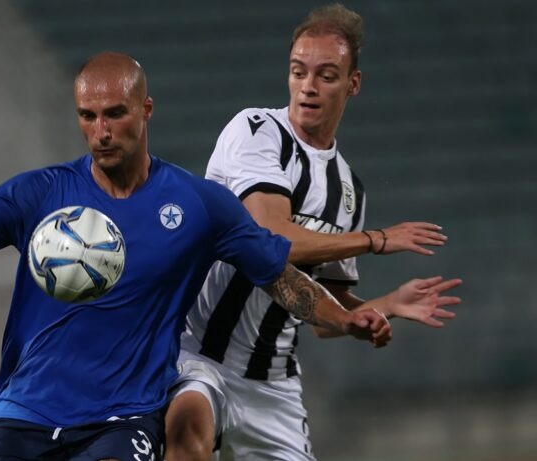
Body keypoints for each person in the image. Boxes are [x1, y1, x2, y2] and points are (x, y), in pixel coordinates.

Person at [0, 52, 392, 461]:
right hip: (23, 410)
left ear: (146, 110)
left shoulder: (199, 205)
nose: (101, 132)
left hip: (123, 418)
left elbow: (280, 278)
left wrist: (345, 318)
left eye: (115, 114)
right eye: (88, 116)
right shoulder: (40, 193)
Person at [164, 4, 463, 461]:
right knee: (187, 437)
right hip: (200, 355)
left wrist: (385, 306)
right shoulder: (256, 131)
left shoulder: (349, 191)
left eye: (326, 75)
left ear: (352, 84)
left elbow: (325, 309)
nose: (308, 86)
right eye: (298, 71)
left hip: (274, 385)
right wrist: (375, 240)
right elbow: (270, 238)